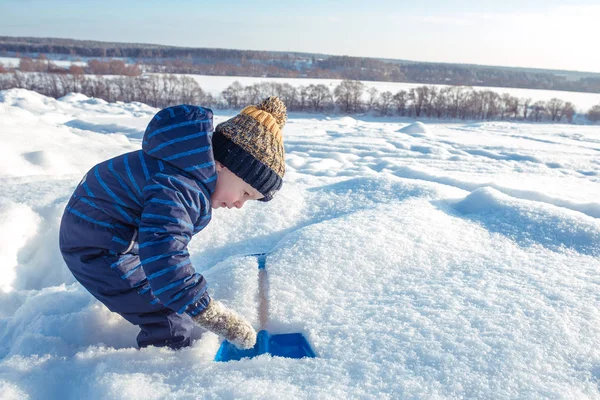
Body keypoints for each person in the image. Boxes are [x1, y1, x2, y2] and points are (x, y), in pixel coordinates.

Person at [59, 96, 287, 350]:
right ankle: (164, 370)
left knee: (164, 285)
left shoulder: (184, 169)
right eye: (245, 193)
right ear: (224, 165)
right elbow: (164, 251)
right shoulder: (180, 188)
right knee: (168, 314)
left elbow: (162, 246)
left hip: (105, 231)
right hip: (97, 246)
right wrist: (206, 310)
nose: (239, 204)